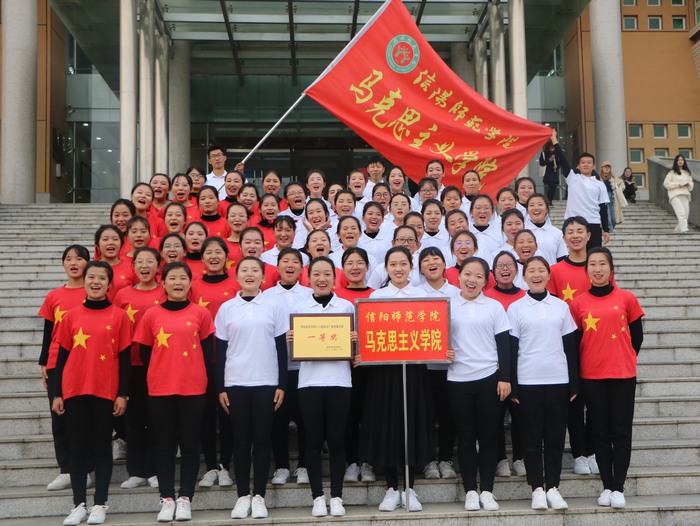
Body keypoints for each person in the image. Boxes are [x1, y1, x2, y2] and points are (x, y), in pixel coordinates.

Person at [52, 261, 132, 526]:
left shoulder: (119, 316)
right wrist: (57, 393)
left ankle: (99, 504)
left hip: (105, 391)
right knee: (78, 448)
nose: (95, 282)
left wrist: (123, 394)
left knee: (101, 448)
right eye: (91, 277)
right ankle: (78, 505)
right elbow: (61, 357)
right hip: (74, 389)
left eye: (102, 278)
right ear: (84, 281)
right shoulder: (70, 316)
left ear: (109, 284)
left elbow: (125, 360)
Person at [135, 261, 215, 522]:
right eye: (172, 278)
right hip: (160, 388)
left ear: (190, 283)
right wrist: (163, 371)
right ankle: (167, 498)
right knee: (164, 444)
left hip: (193, 388)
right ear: (164, 283)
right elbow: (145, 353)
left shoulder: (201, 313)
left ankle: (185, 498)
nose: (178, 282)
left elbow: (207, 353)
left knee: (190, 444)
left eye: (183, 278)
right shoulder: (151, 314)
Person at [569, 247, 644, 509]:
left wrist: (621, 358)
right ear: (586, 270)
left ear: (611, 269)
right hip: (591, 376)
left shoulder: (627, 298)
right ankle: (607, 486)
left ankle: (619, 488)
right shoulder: (577, 303)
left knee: (621, 432)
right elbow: (574, 343)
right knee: (599, 432)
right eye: (592, 264)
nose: (597, 269)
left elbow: (637, 338)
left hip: (623, 374)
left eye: (602, 264)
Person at [362, 246, 434, 513]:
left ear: (411, 267)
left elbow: (433, 332)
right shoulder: (376, 297)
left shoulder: (422, 296)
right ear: (386, 268)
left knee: (411, 424)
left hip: (414, 371)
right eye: (393, 264)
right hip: (384, 372)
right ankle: (392, 487)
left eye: (403, 264)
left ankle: (409, 487)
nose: (398, 269)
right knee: (388, 425)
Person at [216, 257, 289, 520]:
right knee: (240, 440)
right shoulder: (227, 308)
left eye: (255, 270)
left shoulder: (274, 305)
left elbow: (281, 348)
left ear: (263, 276)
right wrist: (221, 387)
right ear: (236, 277)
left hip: (266, 382)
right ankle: (242, 495)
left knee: (261, 440)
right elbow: (221, 350)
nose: (249, 274)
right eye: (244, 270)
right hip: (235, 382)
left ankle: (259, 495)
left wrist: (282, 384)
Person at [508, 256, 579, 510]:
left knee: (555, 437)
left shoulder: (561, 306)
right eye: (531, 271)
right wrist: (513, 384)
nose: (536, 275)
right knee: (531, 439)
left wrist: (574, 383)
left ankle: (553, 487)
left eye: (541, 270)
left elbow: (570, 347)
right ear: (524, 276)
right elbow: (511, 348)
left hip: (558, 380)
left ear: (549, 275)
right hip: (528, 381)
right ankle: (537, 488)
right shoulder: (516, 308)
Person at [288, 256, 357, 517]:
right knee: (313, 441)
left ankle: (337, 496)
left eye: (327, 273)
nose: (322, 278)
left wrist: (354, 340)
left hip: (340, 382)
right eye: (316, 274)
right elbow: (295, 346)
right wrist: (292, 338)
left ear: (335, 278)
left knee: (337, 441)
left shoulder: (346, 307)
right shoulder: (299, 308)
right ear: (308, 279)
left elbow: (356, 352)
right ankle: (317, 496)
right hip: (309, 383)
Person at [448, 256, 511, 512]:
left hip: (489, 378)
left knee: (488, 437)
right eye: (467, 274)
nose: (471, 280)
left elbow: (504, 344)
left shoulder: (494, 307)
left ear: (486, 281)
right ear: (459, 276)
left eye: (478, 276)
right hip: (457, 379)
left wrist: (505, 377)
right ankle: (470, 491)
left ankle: (486, 490)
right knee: (465, 438)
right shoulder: (448, 305)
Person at [39, 245, 90, 492]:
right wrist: (43, 362)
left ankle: (86, 469)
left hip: (87, 362)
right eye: (68, 258)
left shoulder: (93, 291)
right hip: (56, 361)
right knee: (59, 418)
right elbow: (48, 331)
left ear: (88, 263)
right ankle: (66, 469)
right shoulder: (54, 296)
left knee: (84, 418)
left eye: (79, 258)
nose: (73, 262)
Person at [113, 247, 164, 491]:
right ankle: (136, 471)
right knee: (133, 420)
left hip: (160, 365)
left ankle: (155, 470)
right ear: (133, 267)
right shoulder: (123, 294)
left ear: (158, 266)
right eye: (139, 262)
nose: (144, 265)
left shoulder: (165, 291)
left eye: (150, 261)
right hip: (130, 366)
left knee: (156, 420)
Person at [261, 248, 313, 487]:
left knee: (305, 419)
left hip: (306, 368)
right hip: (276, 368)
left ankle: (304, 465)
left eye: (295, 261)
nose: (290, 265)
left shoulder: (310, 294)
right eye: (285, 261)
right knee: (277, 419)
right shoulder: (267, 296)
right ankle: (281, 465)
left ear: (302, 268)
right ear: (277, 267)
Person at [189, 238, 237, 490]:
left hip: (233, 360)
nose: (214, 256)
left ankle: (225, 465)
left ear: (227, 256)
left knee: (228, 415)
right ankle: (209, 466)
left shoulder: (236, 283)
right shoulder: (193, 286)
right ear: (202, 258)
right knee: (205, 415)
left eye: (219, 252)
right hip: (201, 360)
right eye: (209, 252)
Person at [334, 248, 376, 484]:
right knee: (348, 417)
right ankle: (351, 462)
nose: (355, 267)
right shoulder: (335, 297)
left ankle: (368, 461)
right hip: (342, 368)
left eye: (360, 262)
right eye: (349, 263)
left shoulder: (376, 296)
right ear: (343, 268)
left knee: (369, 416)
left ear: (368, 267)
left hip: (371, 368)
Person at [418, 247, 460, 481]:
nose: (431, 262)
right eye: (426, 260)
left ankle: (445, 459)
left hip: (450, 367)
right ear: (420, 268)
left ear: (445, 264)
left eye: (436, 258)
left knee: (448, 416)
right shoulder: (414, 294)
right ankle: (428, 461)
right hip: (423, 368)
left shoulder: (457, 293)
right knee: (424, 416)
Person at [484, 251, 526, 478]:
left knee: (520, 414)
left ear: (517, 270)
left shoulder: (525, 297)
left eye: (509, 265)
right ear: (493, 272)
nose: (505, 269)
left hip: (522, 364)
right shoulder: (486, 297)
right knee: (495, 416)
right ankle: (500, 458)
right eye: (500, 265)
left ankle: (519, 457)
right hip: (495, 366)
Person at [550, 129, 610, 250]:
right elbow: (563, 159)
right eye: (583, 162)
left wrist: (606, 230)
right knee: (575, 253)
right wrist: (554, 140)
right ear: (578, 165)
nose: (586, 164)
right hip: (574, 223)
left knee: (593, 255)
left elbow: (603, 208)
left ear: (593, 166)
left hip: (593, 223)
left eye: (589, 162)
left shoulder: (599, 184)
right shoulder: (573, 178)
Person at [525, 194, 568, 265]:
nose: (536, 208)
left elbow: (561, 259)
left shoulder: (557, 233)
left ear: (547, 209)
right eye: (532, 205)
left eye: (540, 204)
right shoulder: (522, 232)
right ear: (527, 210)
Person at [663, 154, 694, 234]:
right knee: (681, 213)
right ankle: (684, 229)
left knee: (686, 214)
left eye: (682, 160)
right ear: (676, 161)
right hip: (674, 195)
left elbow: (691, 186)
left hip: (685, 195)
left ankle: (677, 230)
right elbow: (666, 184)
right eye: (678, 160)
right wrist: (678, 185)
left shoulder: (687, 173)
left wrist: (688, 184)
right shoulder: (672, 172)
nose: (680, 161)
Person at [539, 140, 560, 206]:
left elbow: (559, 163)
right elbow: (541, 163)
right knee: (551, 186)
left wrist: (557, 167)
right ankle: (548, 200)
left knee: (554, 187)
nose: (552, 149)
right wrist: (549, 160)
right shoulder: (544, 154)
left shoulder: (556, 154)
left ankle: (550, 200)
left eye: (553, 148)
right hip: (548, 173)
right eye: (551, 148)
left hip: (554, 173)